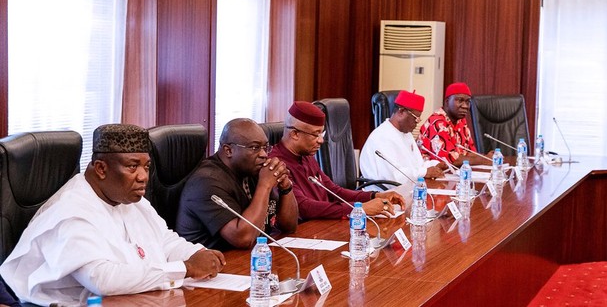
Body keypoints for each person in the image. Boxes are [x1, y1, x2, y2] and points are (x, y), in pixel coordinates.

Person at [0, 124, 225, 306]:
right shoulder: (70, 212)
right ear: (101, 168)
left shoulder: (128, 198)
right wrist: (186, 267)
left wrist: (199, 254)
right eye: (132, 166)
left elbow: (164, 240)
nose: (142, 176)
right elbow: (102, 280)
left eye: (146, 167)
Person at [268, 101, 405, 220]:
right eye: (315, 135)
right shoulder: (276, 164)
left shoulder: (306, 156)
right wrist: (358, 209)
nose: (321, 140)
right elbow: (304, 207)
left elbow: (333, 190)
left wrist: (374, 195)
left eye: (322, 134)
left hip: (322, 226)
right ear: (295, 134)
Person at [177, 118, 298, 251]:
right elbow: (243, 239)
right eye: (255, 147)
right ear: (228, 150)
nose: (263, 154)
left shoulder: (252, 170)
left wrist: (285, 188)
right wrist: (265, 186)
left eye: (265, 147)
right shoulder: (206, 182)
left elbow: (289, 227)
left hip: (250, 258)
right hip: (215, 265)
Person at [360, 90, 445, 190]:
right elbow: (393, 177)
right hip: (383, 196)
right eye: (415, 118)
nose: (417, 123)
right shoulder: (382, 136)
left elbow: (417, 166)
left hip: (407, 191)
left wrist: (435, 164)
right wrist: (425, 172)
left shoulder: (406, 134)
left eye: (419, 119)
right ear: (401, 112)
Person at [419, 82, 478, 164]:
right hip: (432, 173)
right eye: (460, 101)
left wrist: (488, 158)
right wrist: (485, 160)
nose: (465, 106)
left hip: (454, 173)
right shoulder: (437, 123)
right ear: (447, 101)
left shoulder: (461, 121)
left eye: (467, 101)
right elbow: (450, 160)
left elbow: (471, 153)